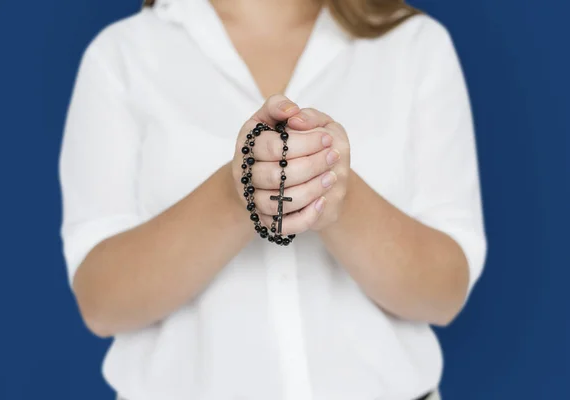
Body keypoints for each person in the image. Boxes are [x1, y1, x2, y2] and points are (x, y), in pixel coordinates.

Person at [58, 0, 487, 398]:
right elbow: (101, 301)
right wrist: (239, 191)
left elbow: (444, 293)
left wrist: (335, 192)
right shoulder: (122, 55)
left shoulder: (415, 45)